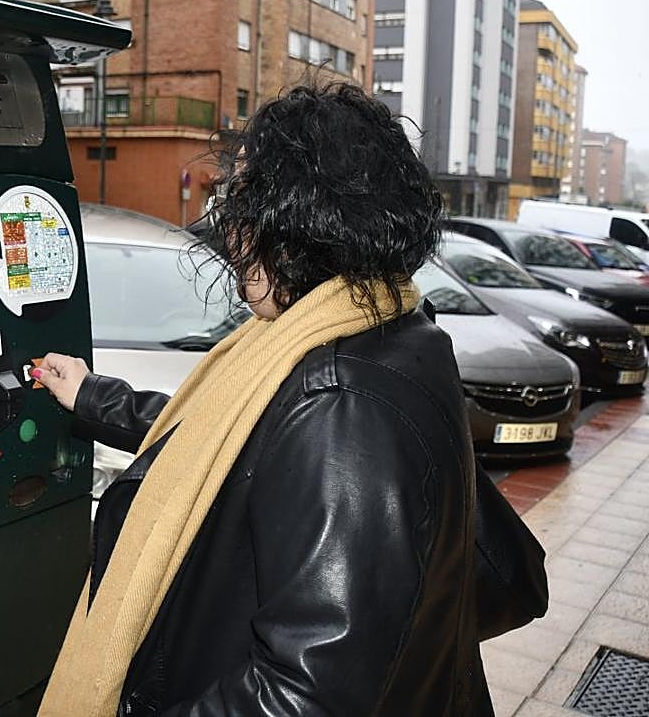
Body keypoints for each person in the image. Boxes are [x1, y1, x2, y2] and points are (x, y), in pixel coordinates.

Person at [33, 82, 546, 716]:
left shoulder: (341, 401)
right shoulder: (389, 328)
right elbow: (225, 445)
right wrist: (93, 397)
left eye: (245, 207)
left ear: (299, 224)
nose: (231, 232)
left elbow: (306, 693)